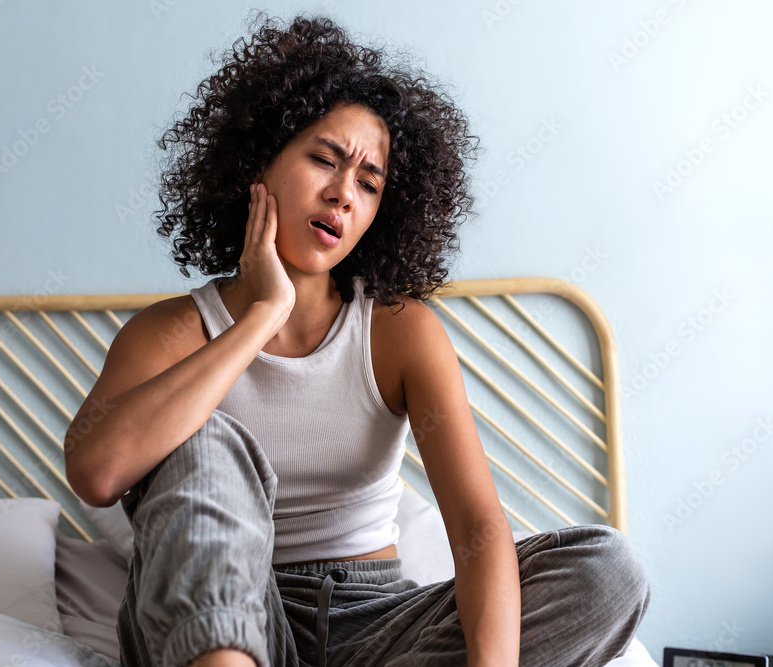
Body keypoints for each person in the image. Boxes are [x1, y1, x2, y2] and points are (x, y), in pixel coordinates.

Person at [64, 12, 650, 667]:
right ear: (260, 158)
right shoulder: (169, 331)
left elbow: (480, 529)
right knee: (204, 438)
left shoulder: (398, 330)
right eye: (324, 159)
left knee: (608, 569)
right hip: (225, 621)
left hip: (376, 624)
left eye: (369, 184)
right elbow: (97, 472)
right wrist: (261, 313)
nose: (343, 194)